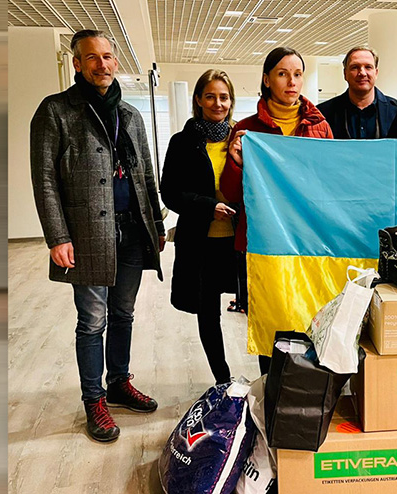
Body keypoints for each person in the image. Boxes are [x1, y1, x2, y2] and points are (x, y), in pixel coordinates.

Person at [30, 30, 165, 443]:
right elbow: (45, 179)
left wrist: (157, 226)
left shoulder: (131, 114)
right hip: (87, 233)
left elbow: (145, 174)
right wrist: (57, 236)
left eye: (107, 56)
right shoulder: (56, 111)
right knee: (92, 320)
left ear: (116, 61)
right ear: (77, 63)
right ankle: (94, 399)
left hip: (132, 229)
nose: (101, 64)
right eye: (92, 57)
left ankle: (119, 382)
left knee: (124, 313)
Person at [219, 46, 333, 375]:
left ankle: (307, 390)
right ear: (267, 80)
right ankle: (271, 390)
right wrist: (236, 162)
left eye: (297, 74)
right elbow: (232, 193)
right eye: (283, 74)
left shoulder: (320, 126)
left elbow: (330, 185)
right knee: (271, 324)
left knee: (310, 318)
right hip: (263, 242)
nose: (291, 81)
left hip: (308, 242)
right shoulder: (247, 129)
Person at [160, 70, 242, 385]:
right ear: (198, 100)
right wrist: (208, 206)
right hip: (201, 243)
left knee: (255, 306)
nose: (218, 103)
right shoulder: (182, 142)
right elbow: (170, 192)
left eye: (223, 97)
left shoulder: (243, 139)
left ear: (231, 101)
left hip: (240, 243)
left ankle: (266, 379)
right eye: (210, 96)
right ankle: (223, 380)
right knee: (208, 313)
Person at [316, 46, 397, 139]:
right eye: (355, 67)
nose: (362, 73)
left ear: (376, 73)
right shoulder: (322, 114)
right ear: (345, 74)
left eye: (368, 67)